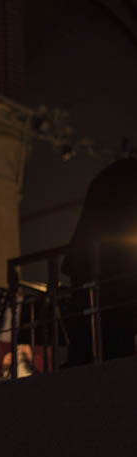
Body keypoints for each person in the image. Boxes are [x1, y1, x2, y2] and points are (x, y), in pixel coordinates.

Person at [61, 146, 137, 365]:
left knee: (92, 338)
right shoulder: (127, 176)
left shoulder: (113, 176)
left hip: (94, 267)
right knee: (114, 340)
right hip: (114, 271)